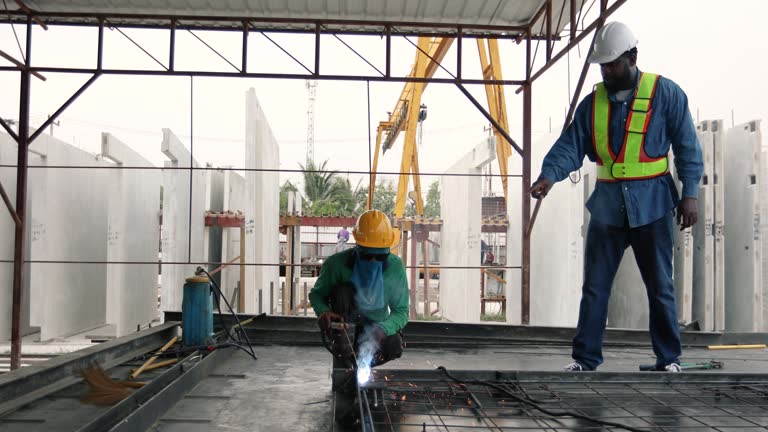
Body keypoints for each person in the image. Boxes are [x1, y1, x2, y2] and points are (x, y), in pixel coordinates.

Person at [529, 22, 703, 372]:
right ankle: (585, 359)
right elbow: (571, 146)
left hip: (653, 206)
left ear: (632, 57)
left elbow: (687, 146)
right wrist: (549, 176)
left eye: (613, 64)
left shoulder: (666, 94)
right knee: (595, 288)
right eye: (603, 66)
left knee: (660, 288)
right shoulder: (592, 104)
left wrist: (691, 195)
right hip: (608, 207)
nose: (607, 71)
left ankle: (669, 359)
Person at [310, 210, 409, 377]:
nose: (372, 261)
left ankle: (365, 368)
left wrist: (384, 329)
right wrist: (323, 312)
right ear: (357, 245)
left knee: (393, 344)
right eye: (367, 255)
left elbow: (401, 311)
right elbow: (317, 295)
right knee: (343, 291)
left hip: (377, 327)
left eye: (379, 257)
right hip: (345, 325)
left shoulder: (395, 267)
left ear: (387, 250)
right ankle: (346, 362)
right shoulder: (336, 264)